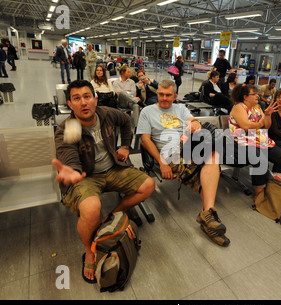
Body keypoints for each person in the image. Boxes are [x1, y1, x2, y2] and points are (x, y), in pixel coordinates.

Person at [52, 80, 155, 283]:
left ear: (95, 99)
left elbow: (126, 121)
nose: (83, 102)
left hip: (113, 168)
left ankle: (113, 216)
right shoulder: (70, 127)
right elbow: (69, 153)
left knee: (148, 185)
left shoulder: (106, 114)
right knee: (91, 208)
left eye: (87, 96)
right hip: (86, 177)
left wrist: (125, 146)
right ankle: (89, 251)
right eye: (76, 98)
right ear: (70, 105)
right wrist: (73, 171)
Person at [137, 79, 230, 247]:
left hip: (188, 146)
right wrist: (162, 163)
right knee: (208, 167)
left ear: (175, 96)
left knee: (213, 156)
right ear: (157, 93)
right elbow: (145, 140)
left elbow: (193, 121)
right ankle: (209, 219)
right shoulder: (147, 111)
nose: (164, 98)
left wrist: (194, 125)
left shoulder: (180, 108)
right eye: (161, 94)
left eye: (168, 95)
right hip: (169, 154)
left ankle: (207, 216)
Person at [229, 84, 281, 204]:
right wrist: (260, 123)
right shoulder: (239, 107)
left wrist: (267, 115)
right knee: (260, 159)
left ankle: (274, 188)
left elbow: (266, 126)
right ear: (245, 97)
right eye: (254, 94)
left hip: (260, 139)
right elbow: (246, 126)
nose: (257, 95)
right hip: (241, 141)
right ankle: (259, 193)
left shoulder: (257, 107)